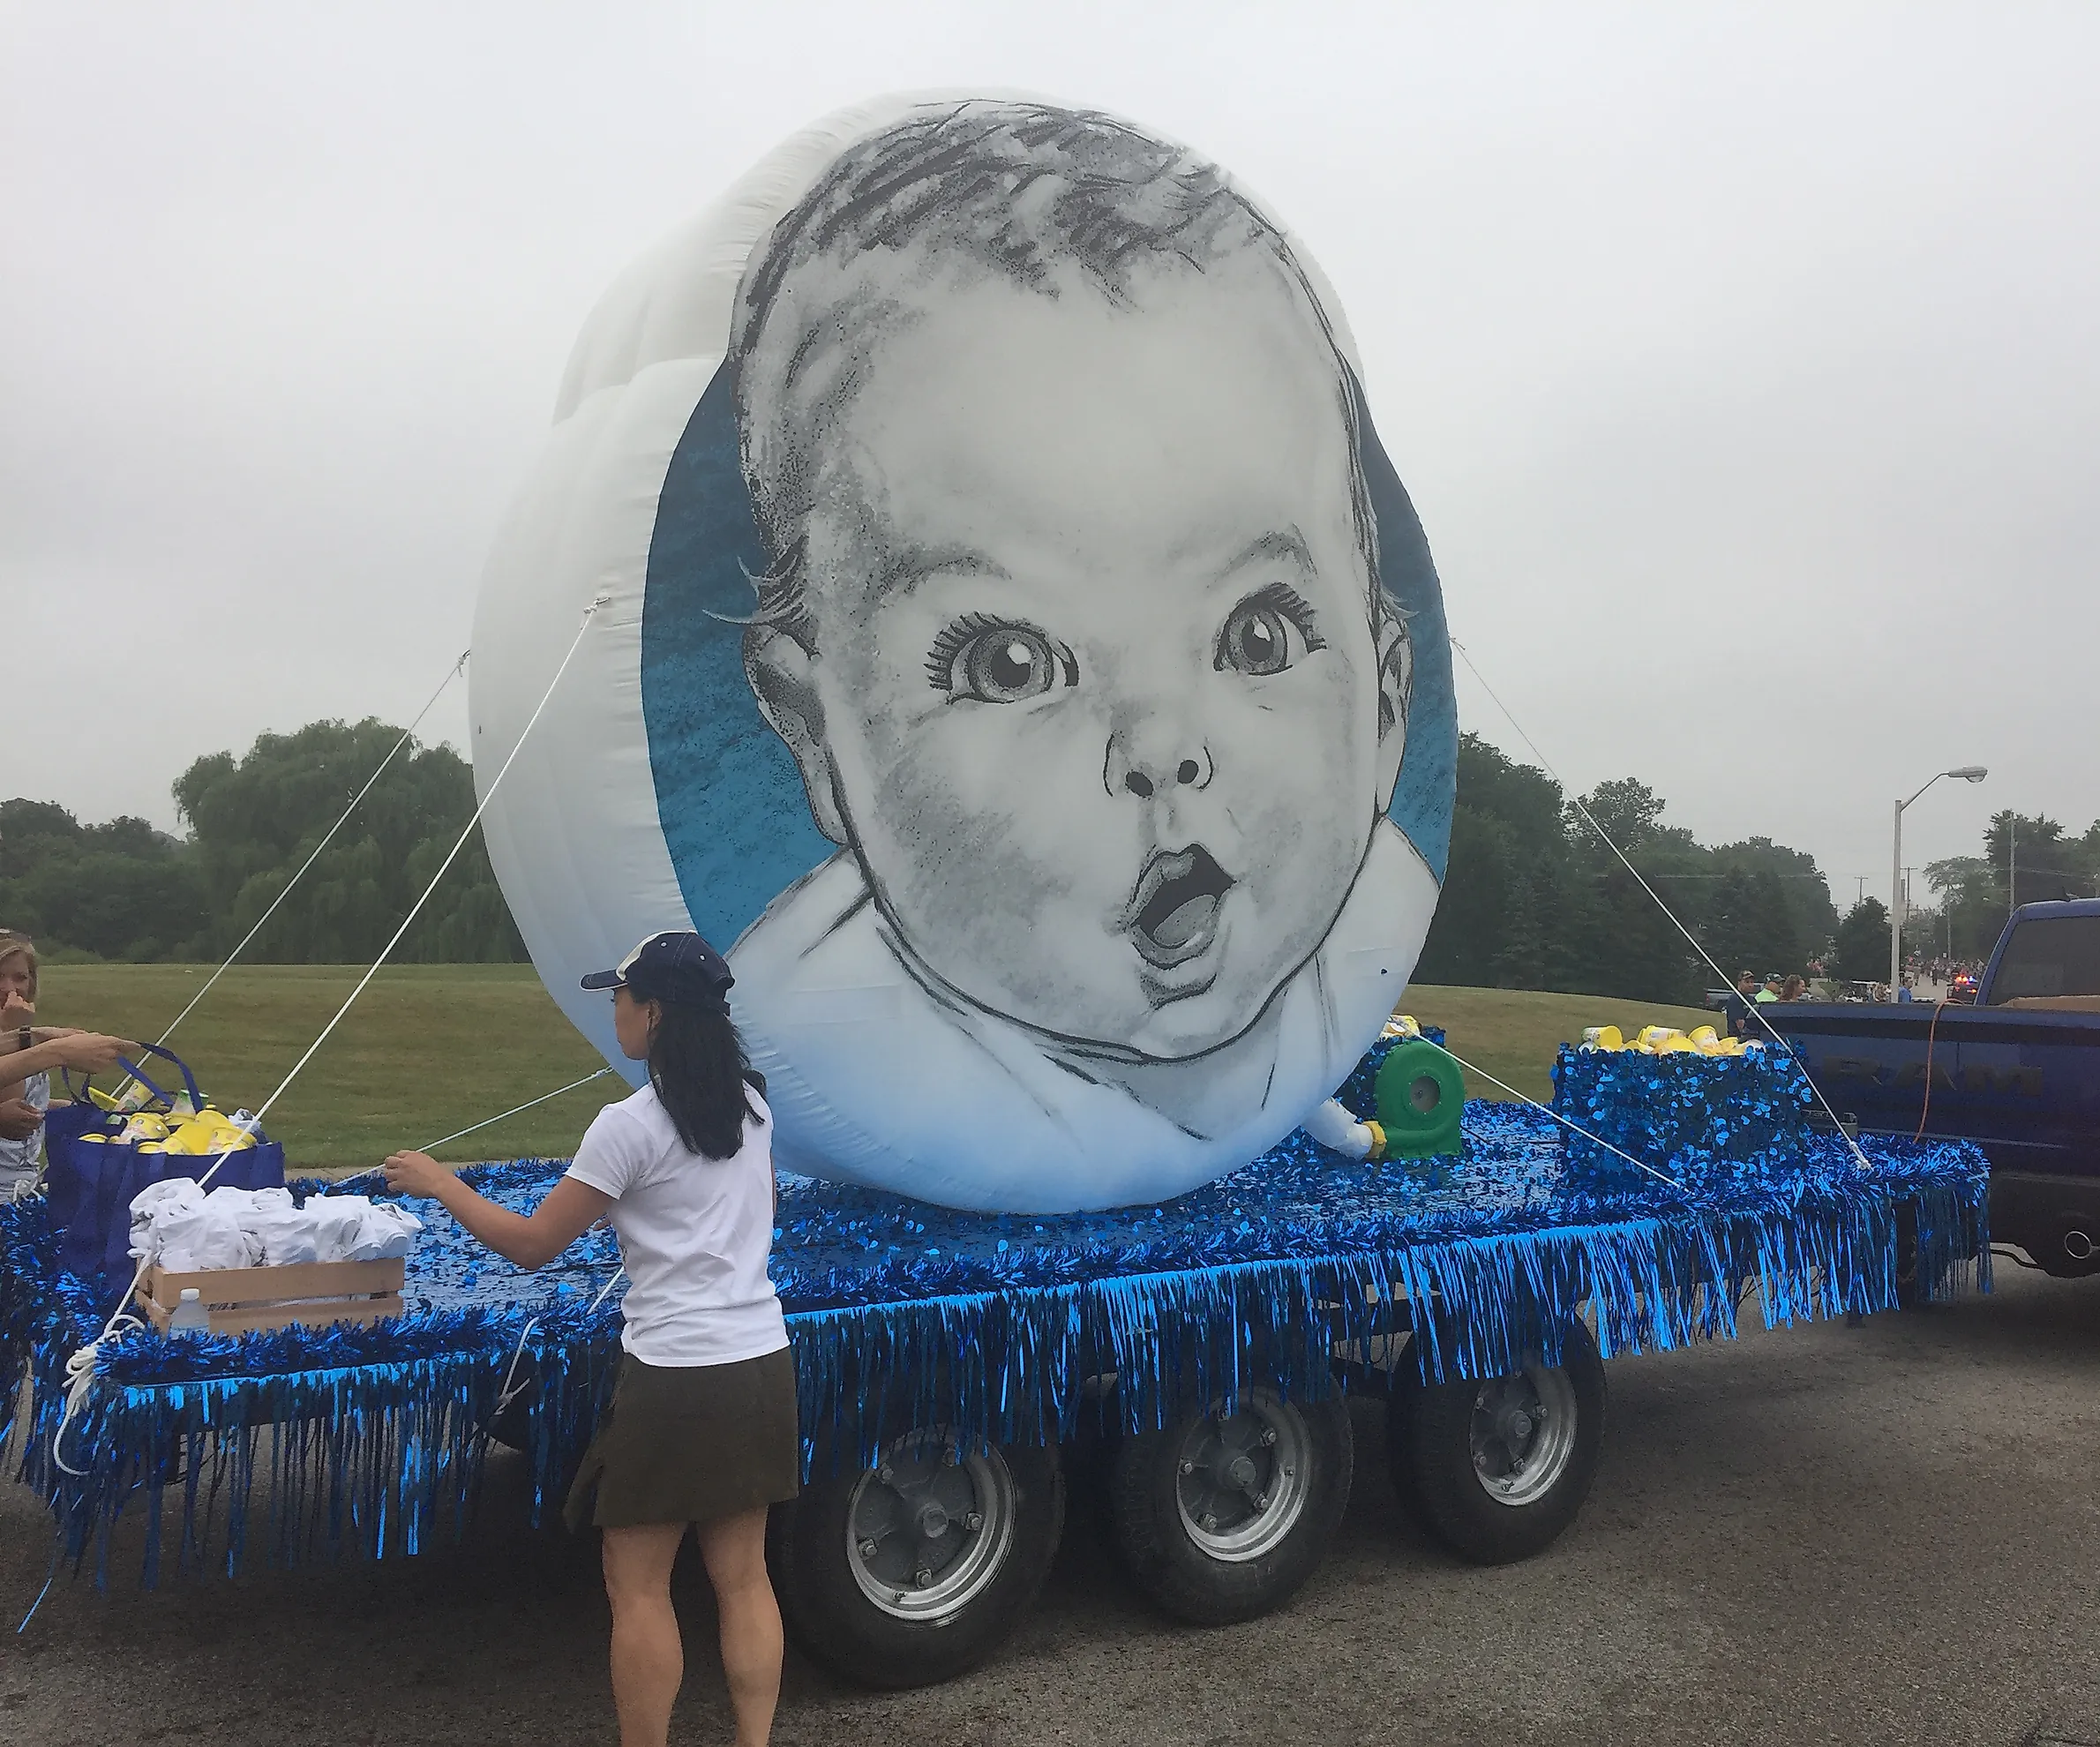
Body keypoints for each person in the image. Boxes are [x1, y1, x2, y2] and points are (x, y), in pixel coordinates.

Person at [718, 101, 1436, 1213]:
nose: (1161, 748)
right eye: (1011, 662)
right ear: (816, 734)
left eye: (1256, 636)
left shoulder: (1374, 922)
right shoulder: (810, 1028)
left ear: (1385, 704)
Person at [383, 932, 792, 1747]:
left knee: (636, 1585)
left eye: (620, 997)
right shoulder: (754, 1107)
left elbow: (535, 1246)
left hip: (676, 1376)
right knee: (744, 1579)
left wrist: (442, 1184)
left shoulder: (628, 1124)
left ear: (656, 1013)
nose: (614, 1010)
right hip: (759, 1361)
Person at [0, 932, 132, 1194]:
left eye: (20, 977)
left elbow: (25, 1102)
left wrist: (68, 1109)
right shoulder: (15, 1034)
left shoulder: (20, 1037)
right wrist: (13, 1030)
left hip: (23, 1184)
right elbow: (15, 1122)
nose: (9, 988)